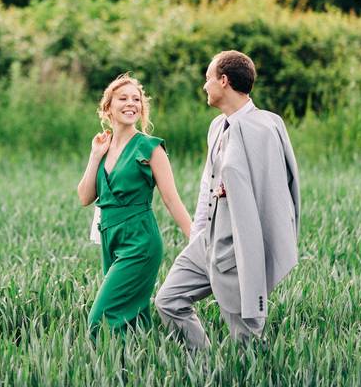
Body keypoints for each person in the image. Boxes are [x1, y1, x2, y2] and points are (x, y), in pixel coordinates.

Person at [154, 50, 301, 349]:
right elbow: (208, 185)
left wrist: (255, 254)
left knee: (246, 337)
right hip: (206, 243)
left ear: (224, 80)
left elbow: (271, 195)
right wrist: (197, 234)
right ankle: (205, 364)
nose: (204, 86)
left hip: (237, 249)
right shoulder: (217, 126)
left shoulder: (264, 128)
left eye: (208, 79)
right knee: (168, 300)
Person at [77, 73, 194, 337]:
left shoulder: (150, 148)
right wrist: (94, 157)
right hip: (111, 238)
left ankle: (104, 371)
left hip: (140, 241)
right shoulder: (103, 148)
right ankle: (143, 366)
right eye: (123, 98)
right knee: (132, 319)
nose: (131, 104)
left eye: (136, 99)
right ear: (108, 108)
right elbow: (85, 197)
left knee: (101, 319)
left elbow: (171, 199)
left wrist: (196, 239)